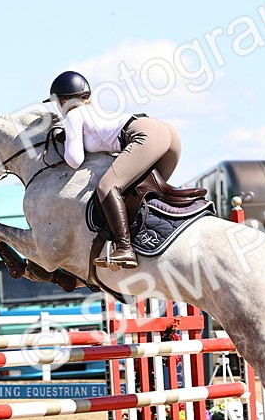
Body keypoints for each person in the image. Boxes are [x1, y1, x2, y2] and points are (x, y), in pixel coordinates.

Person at [46, 70, 182, 270]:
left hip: (145, 134)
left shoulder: (74, 114)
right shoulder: (94, 111)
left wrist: (67, 140)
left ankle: (124, 248)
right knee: (138, 193)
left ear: (64, 100)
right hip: (166, 134)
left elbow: (75, 160)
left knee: (107, 186)